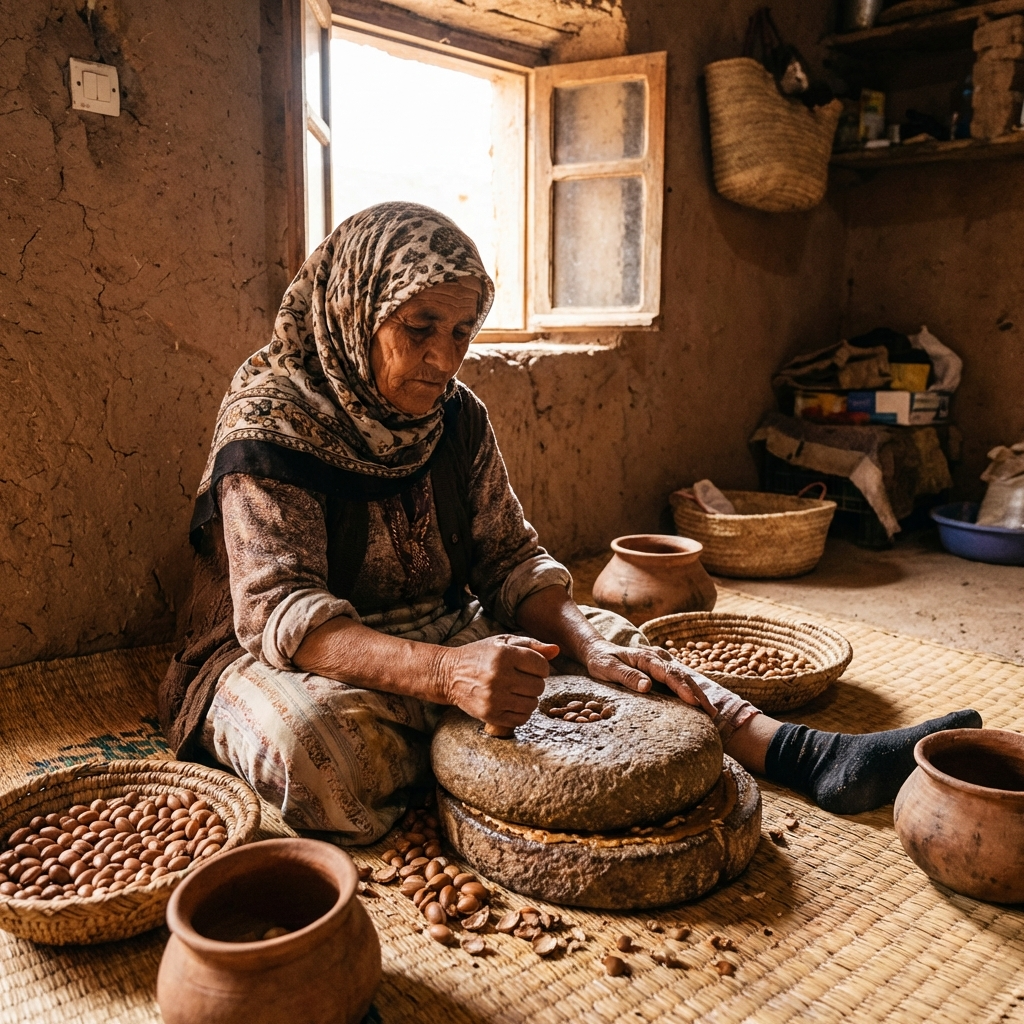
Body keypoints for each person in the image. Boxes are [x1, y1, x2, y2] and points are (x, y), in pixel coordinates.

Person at [160, 202, 980, 844]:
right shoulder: (273, 424)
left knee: (614, 647)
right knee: (317, 750)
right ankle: (476, 766)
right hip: (288, 655)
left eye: (460, 333)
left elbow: (509, 556)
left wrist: (584, 645)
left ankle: (805, 753)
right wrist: (451, 677)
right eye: (418, 329)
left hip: (446, 626)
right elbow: (281, 617)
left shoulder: (456, 417)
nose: (444, 360)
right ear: (354, 308)